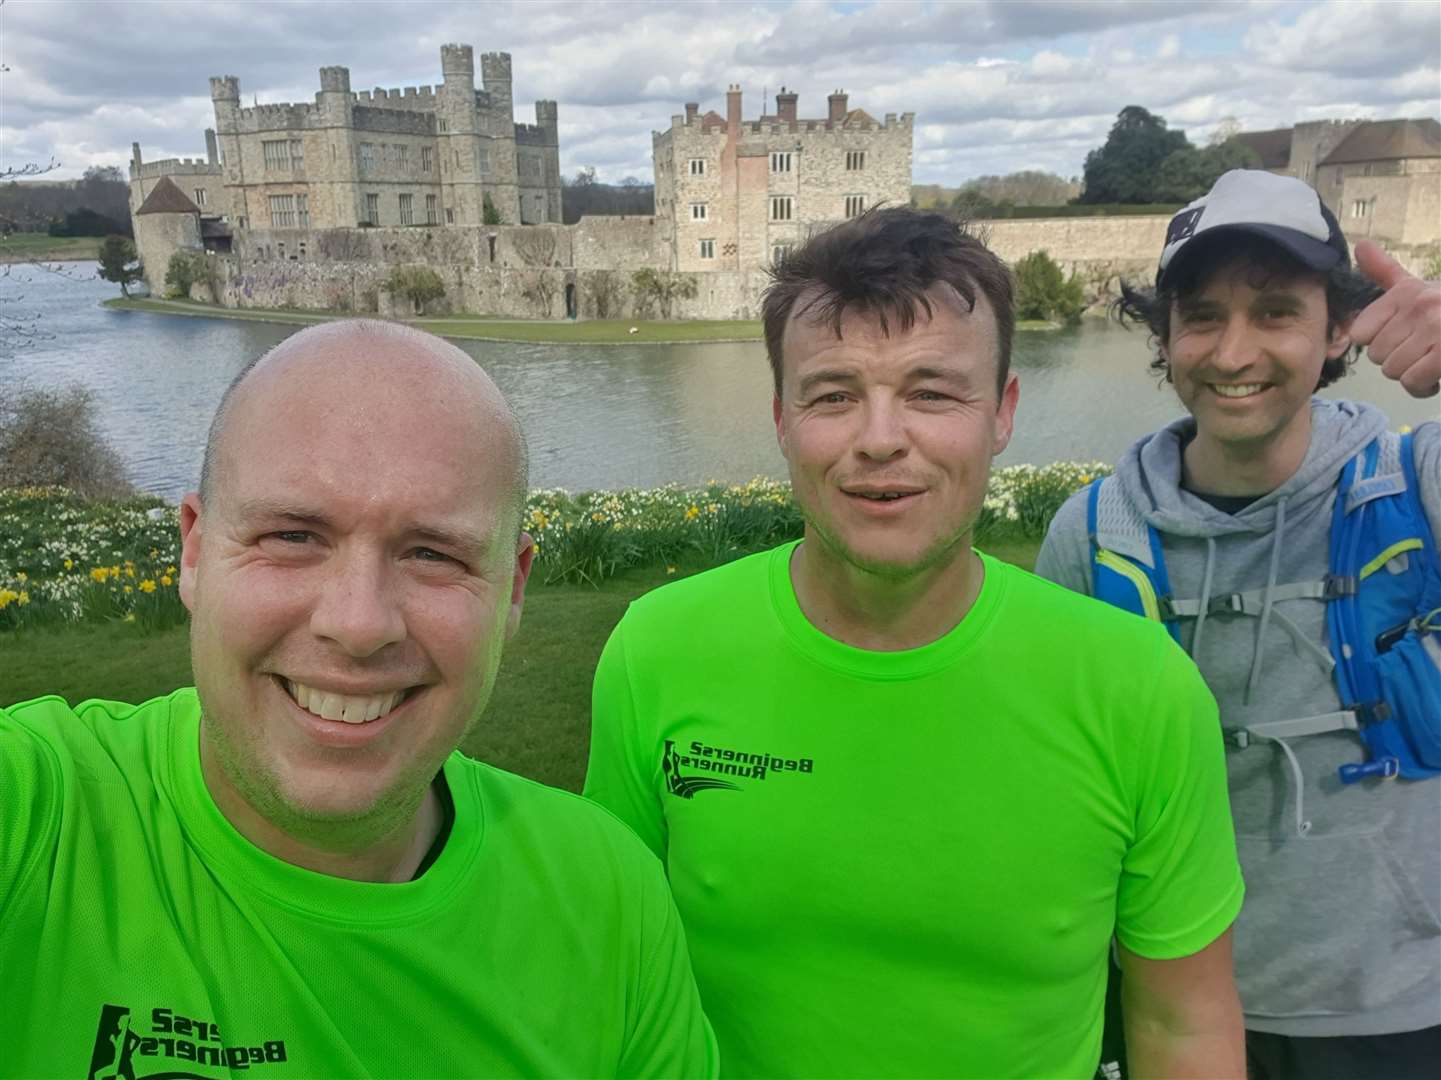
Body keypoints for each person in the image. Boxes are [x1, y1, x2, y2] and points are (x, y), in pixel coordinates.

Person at [584, 207, 1247, 1079]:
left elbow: (1183, 1025)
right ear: (782, 420)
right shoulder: (657, 648)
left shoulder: (1138, 688)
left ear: (1002, 413)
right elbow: (610, 976)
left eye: (932, 392)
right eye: (833, 395)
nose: (880, 439)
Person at [0, 320, 718, 1078]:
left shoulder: (609, 896)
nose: (358, 623)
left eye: (433, 553)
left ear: (513, 590)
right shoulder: (39, 819)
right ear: (195, 553)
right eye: (292, 536)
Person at [1036, 169, 1441, 1080]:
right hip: (1156, 1005)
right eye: (1202, 315)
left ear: (1337, 329)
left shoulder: (1419, 487)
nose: (1231, 352)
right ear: (1165, 336)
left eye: (1273, 312)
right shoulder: (1092, 535)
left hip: (1397, 1009)